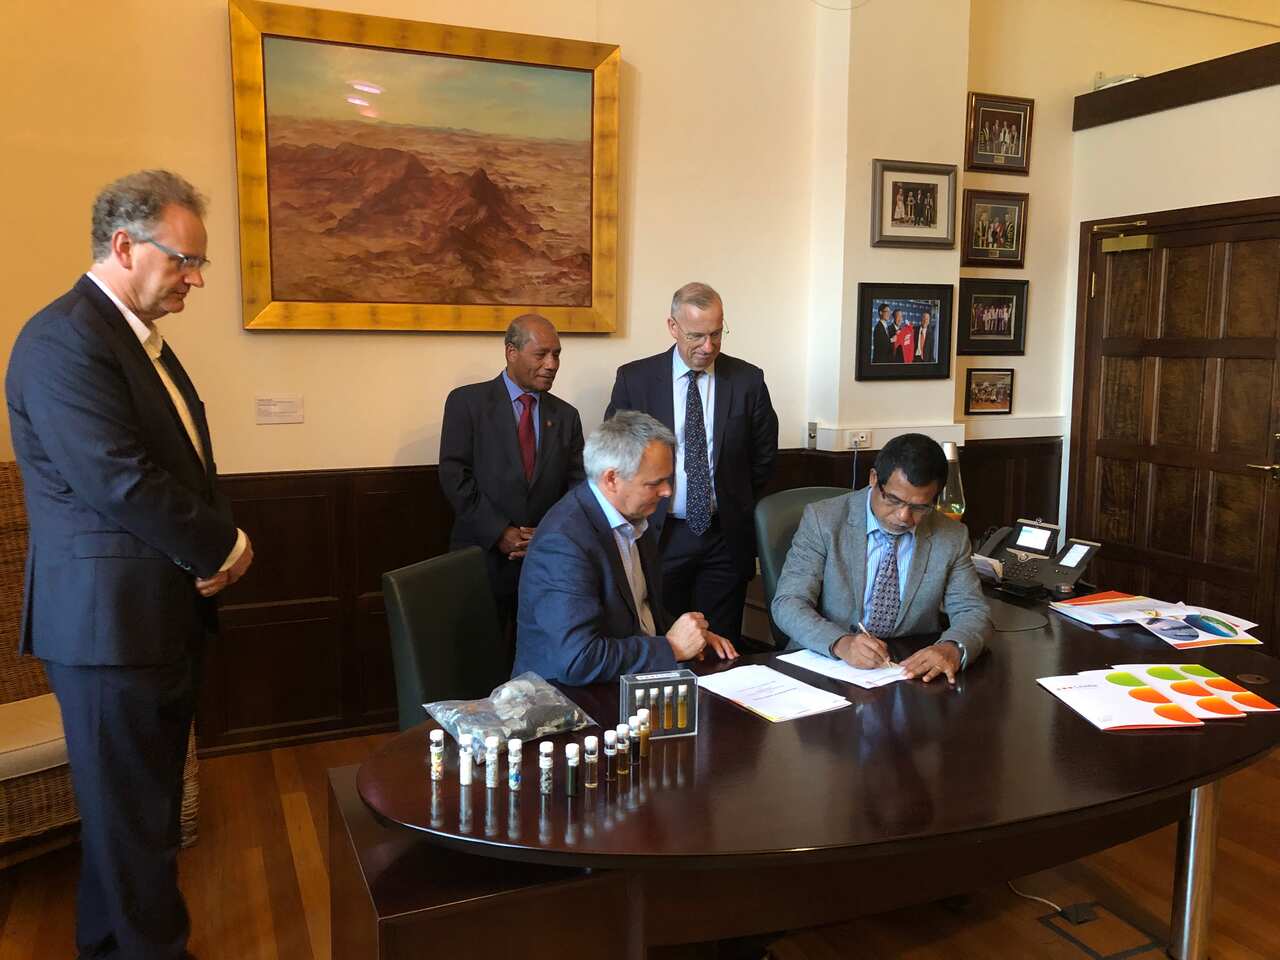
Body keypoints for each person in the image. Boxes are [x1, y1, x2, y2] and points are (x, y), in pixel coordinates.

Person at [5, 170, 254, 959]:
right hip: (107, 629)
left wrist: (207, 547)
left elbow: (182, 467)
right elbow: (120, 481)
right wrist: (223, 547)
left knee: (131, 820)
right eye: (185, 260)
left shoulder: (135, 340)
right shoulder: (62, 340)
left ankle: (107, 948)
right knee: (135, 825)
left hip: (151, 618)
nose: (196, 279)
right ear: (124, 246)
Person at [605, 282, 778, 646]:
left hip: (724, 538)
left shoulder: (747, 381)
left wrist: (737, 505)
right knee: (664, 643)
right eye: (696, 336)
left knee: (723, 647)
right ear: (673, 327)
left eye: (716, 334)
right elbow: (617, 457)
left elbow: (763, 458)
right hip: (658, 535)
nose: (708, 346)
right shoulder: (636, 380)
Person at [513, 412, 737, 684]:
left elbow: (636, 613)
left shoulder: (635, 517)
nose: (667, 491)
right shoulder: (563, 542)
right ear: (611, 479)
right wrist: (672, 647)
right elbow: (577, 659)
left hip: (626, 681)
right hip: (565, 696)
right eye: (654, 483)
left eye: (668, 479)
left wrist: (693, 635)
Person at [771, 433, 990, 684]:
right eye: (894, 500)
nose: (904, 516)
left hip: (904, 671)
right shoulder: (824, 520)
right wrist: (840, 643)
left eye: (920, 507)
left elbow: (972, 610)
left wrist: (952, 648)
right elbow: (788, 602)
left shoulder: (951, 536)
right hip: (824, 666)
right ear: (874, 479)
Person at [438, 314, 585, 656]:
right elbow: (454, 475)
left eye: (557, 354)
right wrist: (500, 532)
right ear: (511, 352)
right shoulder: (467, 403)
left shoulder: (566, 416)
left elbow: (576, 488)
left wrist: (546, 536)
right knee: (478, 661)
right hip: (481, 559)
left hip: (544, 562)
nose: (552, 364)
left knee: (539, 662)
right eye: (541, 354)